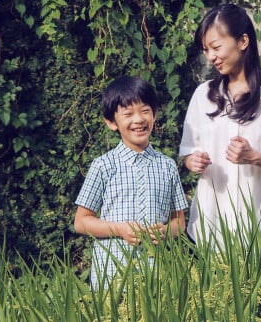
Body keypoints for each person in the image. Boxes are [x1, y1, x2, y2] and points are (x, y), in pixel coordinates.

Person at [179, 4, 261, 249]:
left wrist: (255, 157)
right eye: (207, 50)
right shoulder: (203, 96)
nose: (211, 57)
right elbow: (188, 152)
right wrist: (192, 162)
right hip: (211, 228)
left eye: (216, 47)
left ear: (243, 41)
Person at [74, 76, 188, 289]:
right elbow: (81, 222)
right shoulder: (103, 166)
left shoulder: (167, 166)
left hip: (158, 276)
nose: (138, 119)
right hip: (112, 277)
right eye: (127, 114)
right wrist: (120, 229)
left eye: (145, 111)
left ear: (154, 114)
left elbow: (179, 222)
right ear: (111, 122)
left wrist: (165, 232)